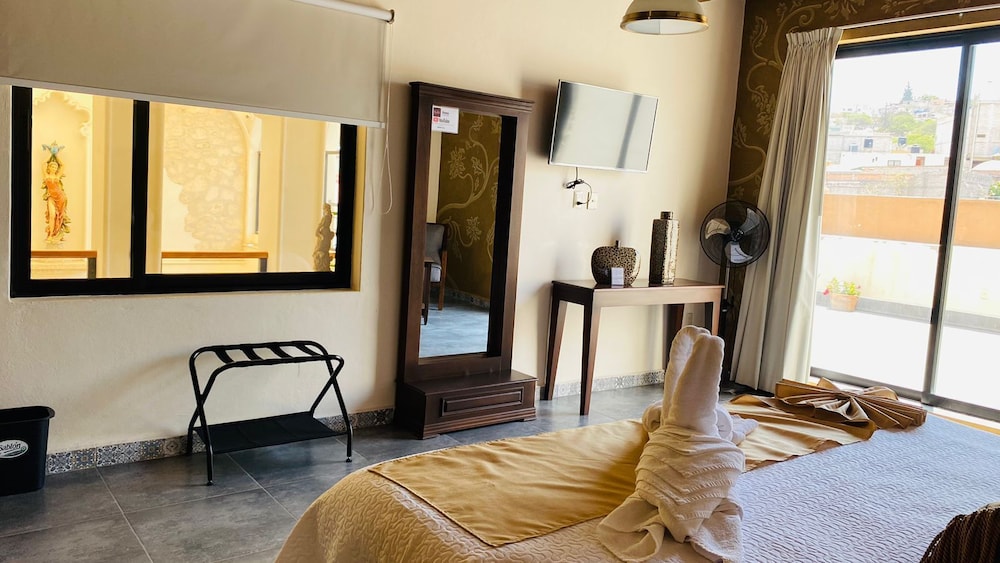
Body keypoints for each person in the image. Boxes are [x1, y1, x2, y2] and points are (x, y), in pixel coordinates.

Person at [41, 153, 70, 244]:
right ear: (49, 168)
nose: (54, 168)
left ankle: (57, 234)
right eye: (52, 166)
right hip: (51, 198)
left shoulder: (58, 176)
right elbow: (43, 164)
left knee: (60, 216)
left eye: (55, 167)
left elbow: (63, 165)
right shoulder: (46, 176)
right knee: (52, 215)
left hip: (61, 197)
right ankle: (50, 235)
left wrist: (56, 155)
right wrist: (51, 154)